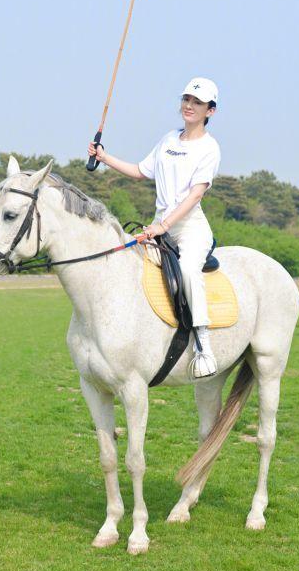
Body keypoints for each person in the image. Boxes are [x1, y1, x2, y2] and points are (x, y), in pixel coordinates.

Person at [87, 76, 221, 379]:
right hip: (159, 226)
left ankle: (203, 346)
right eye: (186, 99)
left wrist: (164, 225)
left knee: (188, 270)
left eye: (197, 102)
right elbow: (139, 171)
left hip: (190, 228)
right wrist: (104, 157)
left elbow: (195, 195)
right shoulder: (168, 139)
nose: (189, 106)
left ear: (210, 111)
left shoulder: (209, 148)